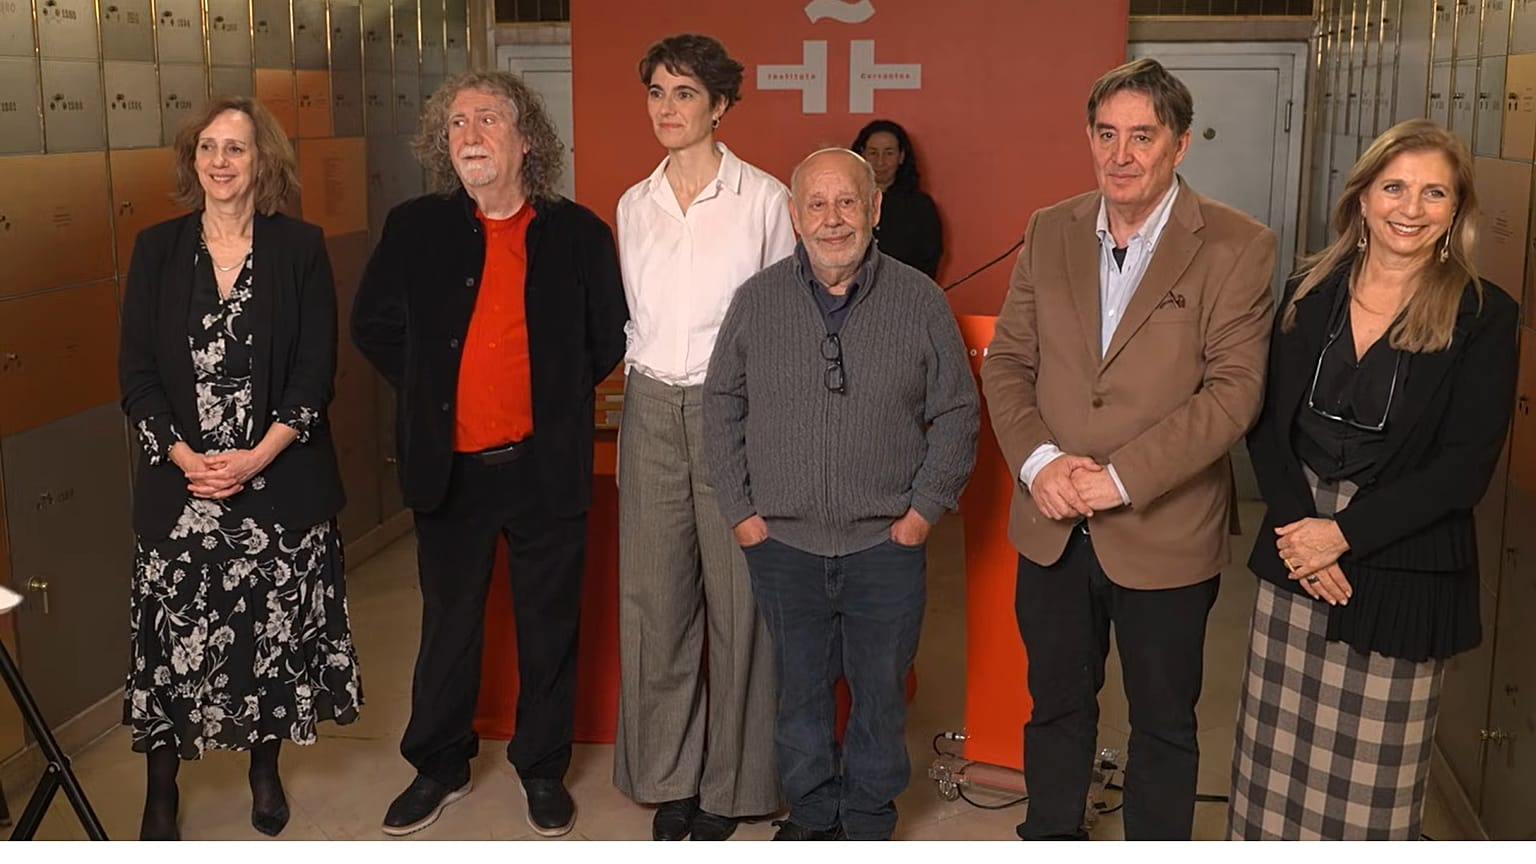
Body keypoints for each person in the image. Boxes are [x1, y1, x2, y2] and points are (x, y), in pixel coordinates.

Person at [978, 57, 1275, 841]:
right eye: (1107, 135)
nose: (1122, 155)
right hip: (1051, 524)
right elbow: (1010, 361)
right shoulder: (1051, 228)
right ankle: (1050, 835)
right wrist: (1040, 463)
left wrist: (1118, 479)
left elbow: (1233, 394)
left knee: (1165, 721)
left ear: (1179, 145)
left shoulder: (1237, 247)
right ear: (1089, 138)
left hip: (1164, 531)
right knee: (1056, 707)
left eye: (1142, 137)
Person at [350, 70, 628, 838]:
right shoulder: (416, 226)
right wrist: (433, 386)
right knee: (448, 628)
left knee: (549, 628)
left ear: (525, 138)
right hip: (451, 472)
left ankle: (541, 769)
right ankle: (438, 766)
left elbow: (607, 334)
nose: (469, 135)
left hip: (544, 469)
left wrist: (551, 395)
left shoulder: (578, 233)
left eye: (486, 120)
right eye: (456, 124)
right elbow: (372, 324)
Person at [1229, 119, 1519, 841]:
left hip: (1401, 563)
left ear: (1456, 211)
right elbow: (1266, 423)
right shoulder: (1309, 289)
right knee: (1270, 760)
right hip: (1298, 546)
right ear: (1362, 198)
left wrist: (1342, 535)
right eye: (1394, 187)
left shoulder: (1484, 315)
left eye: (1433, 193)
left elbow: (1464, 467)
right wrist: (1303, 532)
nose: (1410, 208)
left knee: (1368, 786)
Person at [703, 147, 979, 841]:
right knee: (798, 693)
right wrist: (742, 514)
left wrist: (920, 515)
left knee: (880, 694)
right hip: (783, 544)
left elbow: (957, 412)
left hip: (884, 544)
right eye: (817, 205)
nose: (833, 219)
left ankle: (866, 814)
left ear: (876, 208)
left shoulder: (920, 300)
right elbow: (721, 407)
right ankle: (813, 812)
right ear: (794, 216)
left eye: (848, 202)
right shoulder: (756, 301)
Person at [118, 96, 362, 841]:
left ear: (265, 162)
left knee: (269, 637)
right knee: (169, 642)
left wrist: (260, 453)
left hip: (276, 483)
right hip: (183, 485)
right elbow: (135, 374)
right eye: (208, 148)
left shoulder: (300, 247)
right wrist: (186, 456)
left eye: (236, 149)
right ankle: (162, 788)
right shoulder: (157, 249)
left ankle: (264, 770)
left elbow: (316, 369)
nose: (220, 162)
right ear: (193, 162)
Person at [613, 33, 794, 842]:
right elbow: (638, 320)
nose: (667, 108)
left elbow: (787, 326)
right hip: (651, 407)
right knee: (657, 601)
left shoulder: (766, 200)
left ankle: (736, 785)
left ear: (721, 105)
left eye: (684, 93)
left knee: (742, 603)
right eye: (657, 92)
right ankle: (670, 778)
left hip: (736, 411)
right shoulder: (632, 204)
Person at [851, 119, 942, 278]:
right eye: (873, 153)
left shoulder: (920, 206)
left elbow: (927, 261)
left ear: (901, 157)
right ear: (861, 154)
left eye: (889, 153)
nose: (880, 161)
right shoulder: (844, 201)